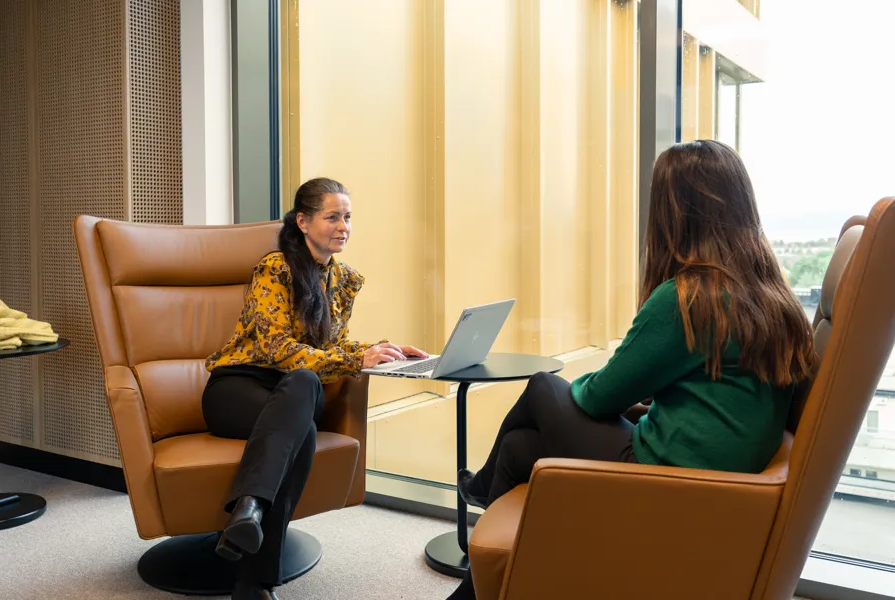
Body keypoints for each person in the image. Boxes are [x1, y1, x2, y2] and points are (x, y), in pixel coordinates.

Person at [447, 140, 816, 599]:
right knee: (521, 448)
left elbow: (600, 397)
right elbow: (713, 398)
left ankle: (480, 488)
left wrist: (589, 392)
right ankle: (477, 588)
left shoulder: (688, 298)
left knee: (544, 387)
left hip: (666, 476)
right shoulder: (772, 298)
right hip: (719, 482)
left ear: (673, 213)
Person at [202, 177, 427, 600]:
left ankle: (249, 520)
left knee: (302, 412)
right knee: (302, 407)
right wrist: (353, 360)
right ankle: (255, 576)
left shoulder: (344, 280)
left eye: (348, 217)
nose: (343, 226)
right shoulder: (276, 268)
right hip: (238, 389)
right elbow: (275, 349)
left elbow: (333, 348)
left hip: (294, 396)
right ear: (303, 222)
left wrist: (380, 350)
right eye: (332, 217)